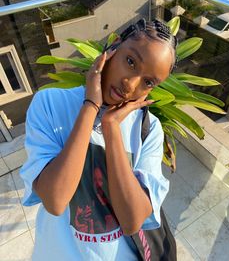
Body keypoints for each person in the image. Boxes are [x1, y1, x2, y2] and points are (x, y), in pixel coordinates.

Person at [20, 18, 177, 261]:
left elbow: (132, 221)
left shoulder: (150, 130)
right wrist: (90, 106)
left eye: (147, 82)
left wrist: (111, 126)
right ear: (113, 46)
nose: (130, 84)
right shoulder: (50, 103)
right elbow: (56, 200)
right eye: (130, 61)